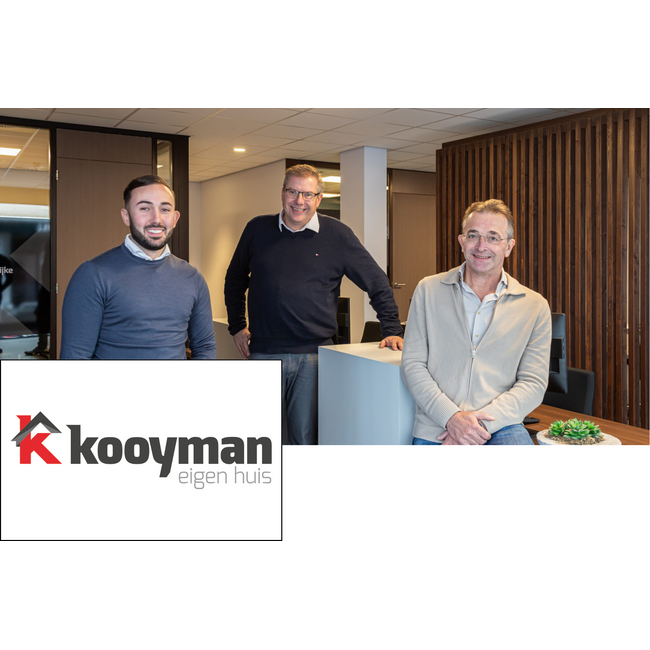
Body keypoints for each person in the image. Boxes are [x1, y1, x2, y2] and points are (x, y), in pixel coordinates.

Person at [224, 164, 403, 445]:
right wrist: (237, 325)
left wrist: (391, 329)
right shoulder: (257, 229)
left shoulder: (338, 235)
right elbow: (235, 278)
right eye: (293, 192)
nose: (299, 201)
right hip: (263, 353)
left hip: (314, 357)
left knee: (305, 439)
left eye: (308, 194)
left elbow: (377, 282)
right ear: (282, 193)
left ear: (319, 198)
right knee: (258, 440)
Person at [401, 199, 551, 445]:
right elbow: (413, 364)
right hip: (437, 426)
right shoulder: (428, 290)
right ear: (462, 242)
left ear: (508, 247)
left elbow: (533, 383)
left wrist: (475, 427)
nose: (482, 246)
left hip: (501, 424)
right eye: (473, 236)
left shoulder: (534, 306)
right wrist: (452, 418)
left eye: (493, 237)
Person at [61, 175, 216, 360]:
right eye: (145, 208)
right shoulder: (93, 274)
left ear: (175, 218)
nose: (156, 219)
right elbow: (75, 356)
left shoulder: (193, 278)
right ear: (126, 216)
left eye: (165, 209)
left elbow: (205, 347)